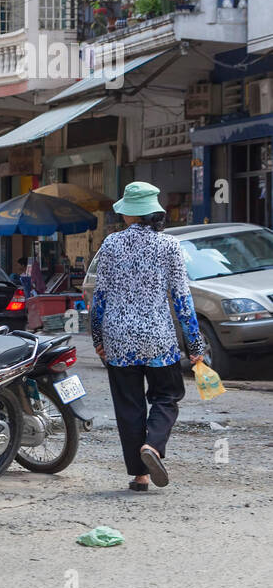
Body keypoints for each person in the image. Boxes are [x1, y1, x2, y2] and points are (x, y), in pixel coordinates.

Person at [90, 182, 205, 492]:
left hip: (118, 337)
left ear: (128, 214)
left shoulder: (111, 244)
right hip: (158, 338)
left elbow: (99, 296)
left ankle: (140, 475)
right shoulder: (169, 246)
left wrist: (96, 337)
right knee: (167, 396)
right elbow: (182, 298)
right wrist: (195, 343)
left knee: (129, 407)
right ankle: (153, 445)